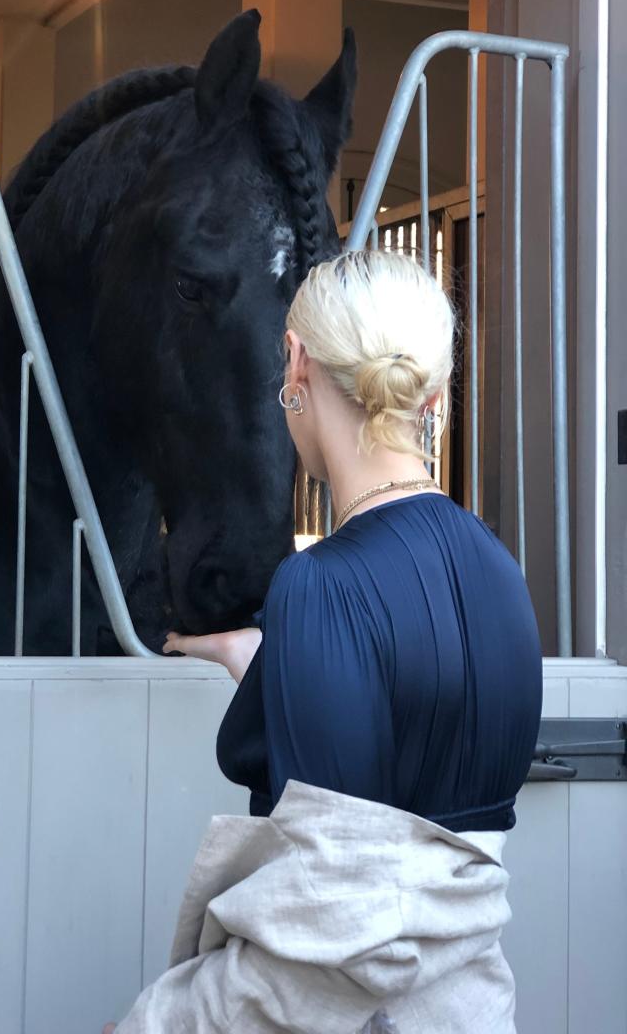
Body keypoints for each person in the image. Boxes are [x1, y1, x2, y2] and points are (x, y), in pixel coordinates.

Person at [103, 249, 543, 1034]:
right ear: (433, 395)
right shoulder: (500, 573)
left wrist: (150, 1024)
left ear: (296, 362)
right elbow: (422, 762)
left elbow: (325, 943)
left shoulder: (319, 589)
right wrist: (269, 668)